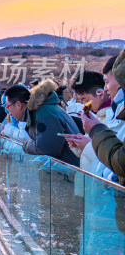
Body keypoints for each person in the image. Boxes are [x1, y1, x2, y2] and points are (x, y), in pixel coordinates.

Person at [71, 51, 125, 183]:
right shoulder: (98, 117)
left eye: (85, 99)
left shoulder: (111, 117)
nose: (106, 88)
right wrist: (79, 146)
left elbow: (117, 161)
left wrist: (92, 137)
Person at [21, 78, 80, 166]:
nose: (8, 112)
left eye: (8, 107)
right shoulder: (49, 109)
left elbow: (47, 148)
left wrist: (26, 145)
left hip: (67, 169)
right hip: (66, 167)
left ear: (18, 105)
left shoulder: (45, 113)